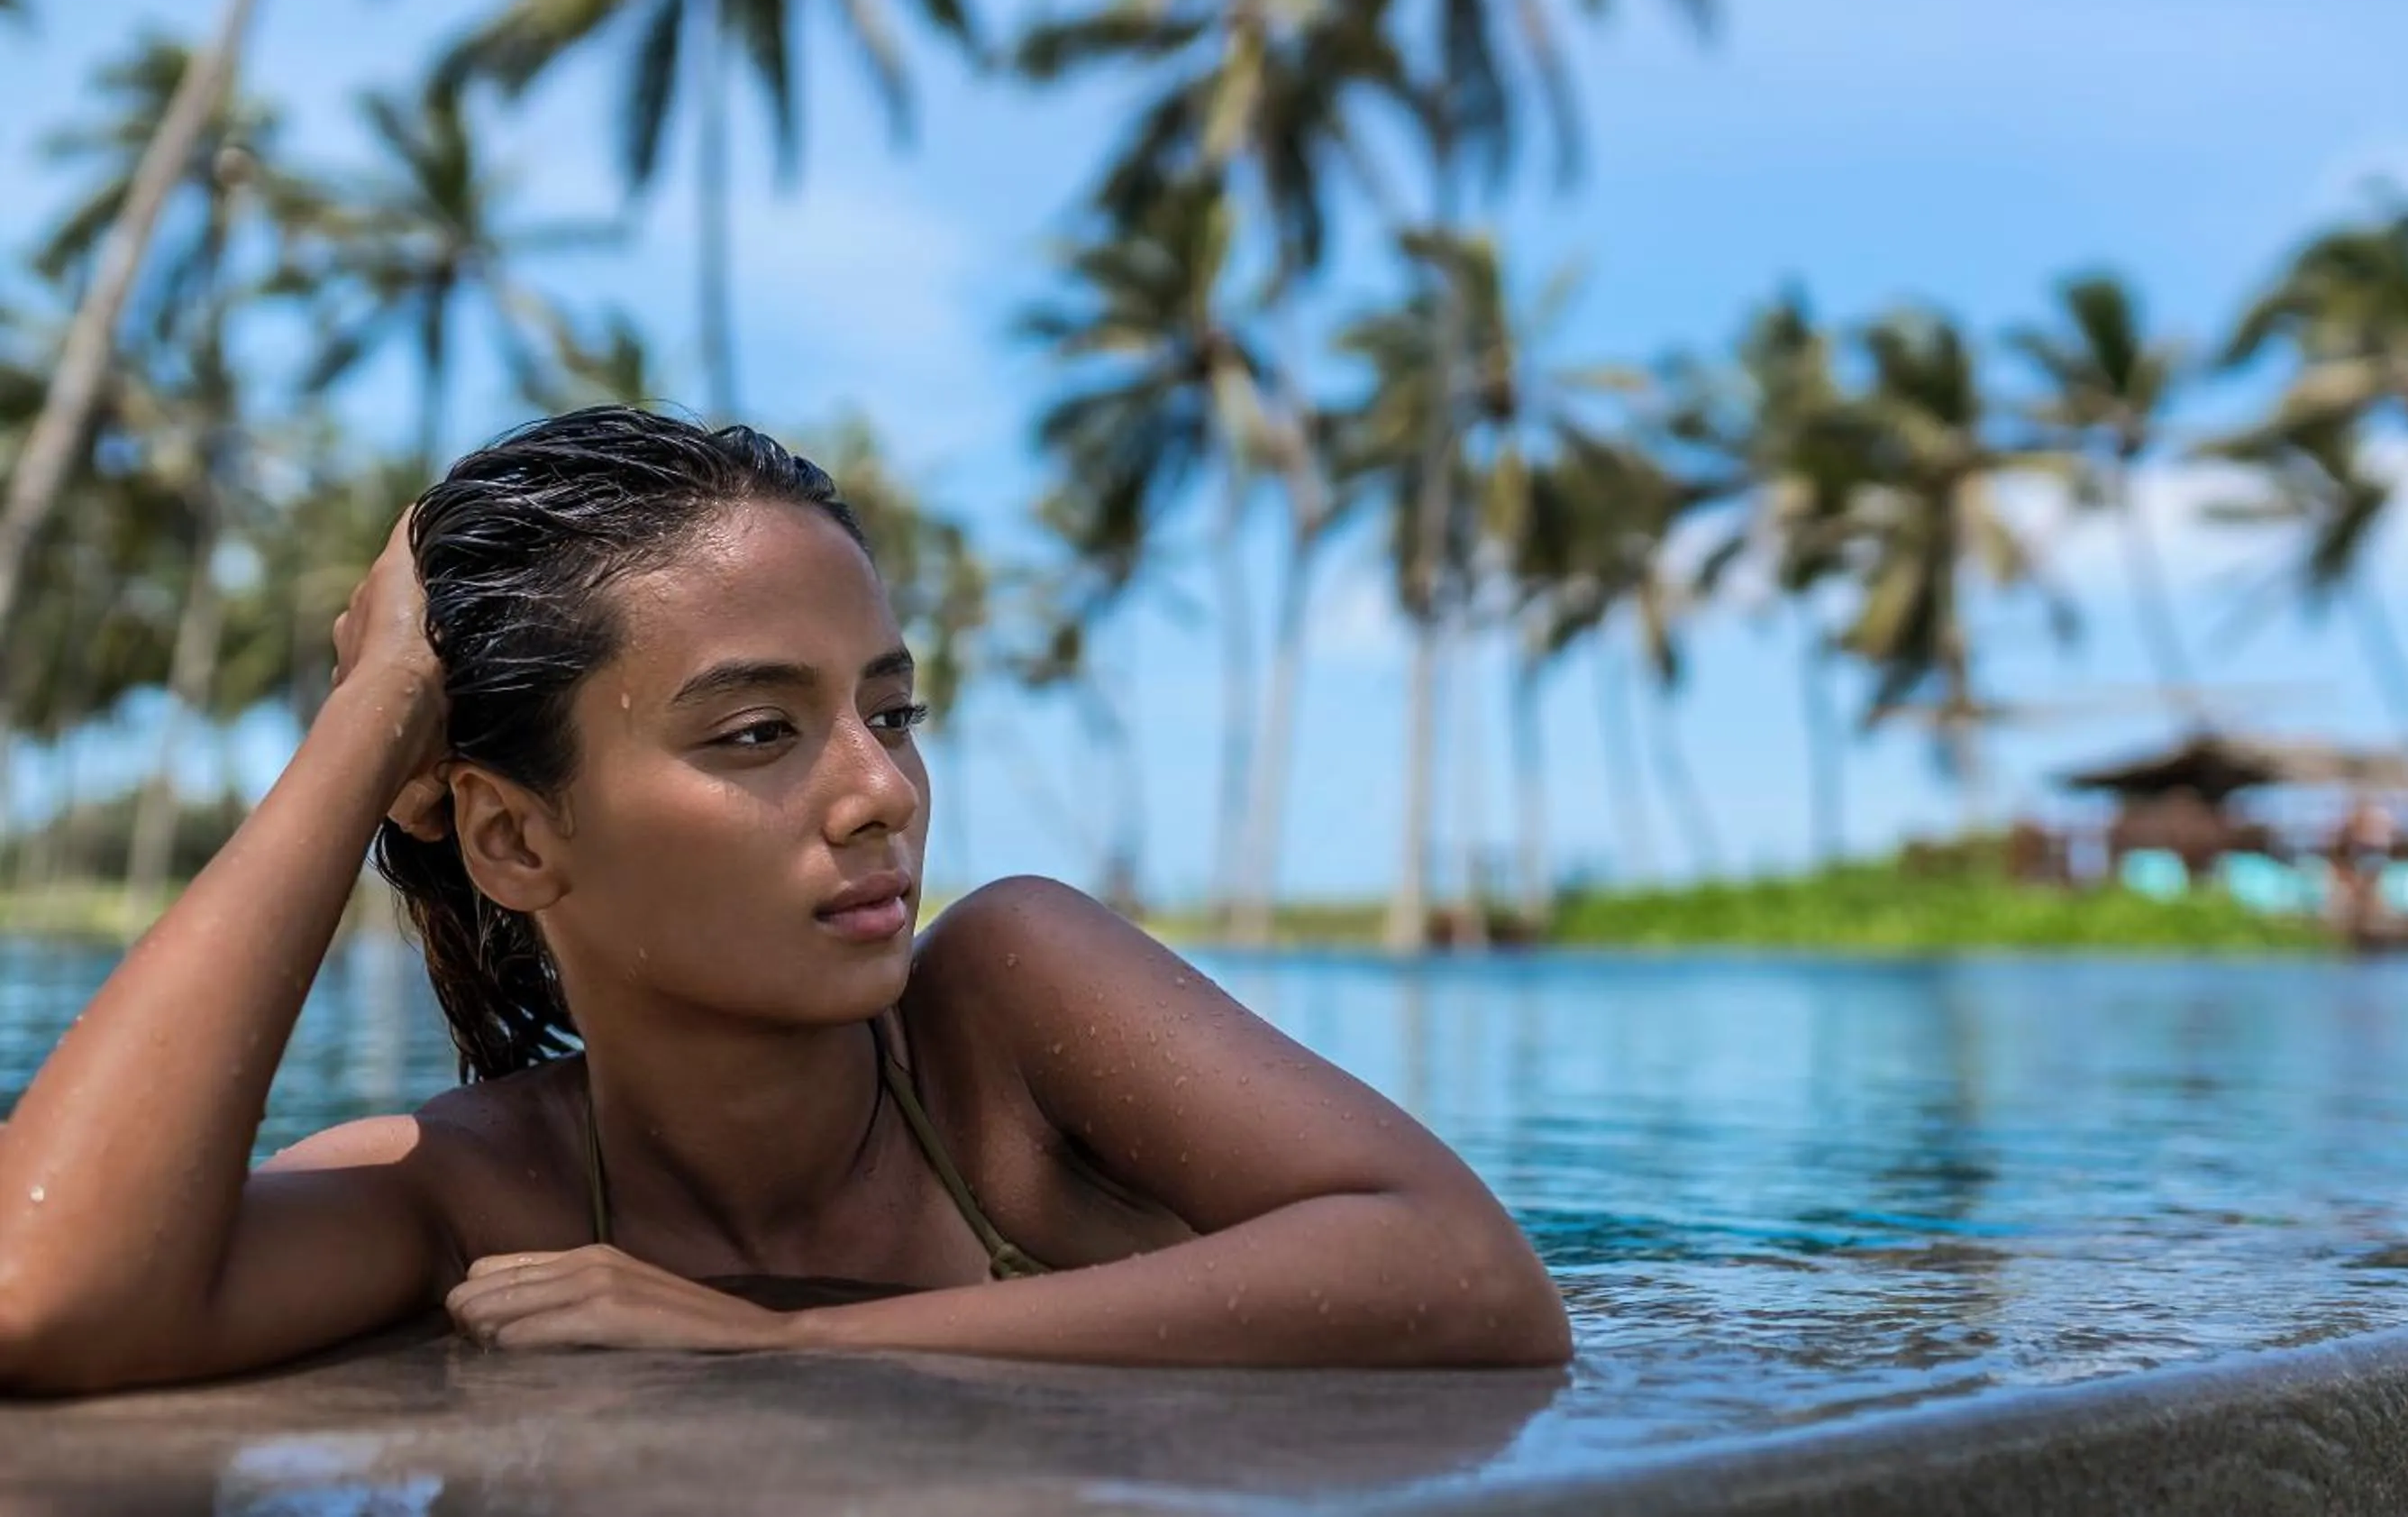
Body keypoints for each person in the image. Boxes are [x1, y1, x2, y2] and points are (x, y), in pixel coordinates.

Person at [0, 409, 1569, 1394]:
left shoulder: (1007, 1021)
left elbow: (1469, 1274)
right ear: (515, 839)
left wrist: (787, 1340)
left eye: (892, 711)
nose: (881, 791)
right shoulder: (475, 1196)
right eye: (758, 732)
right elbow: (41, 1291)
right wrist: (371, 720)